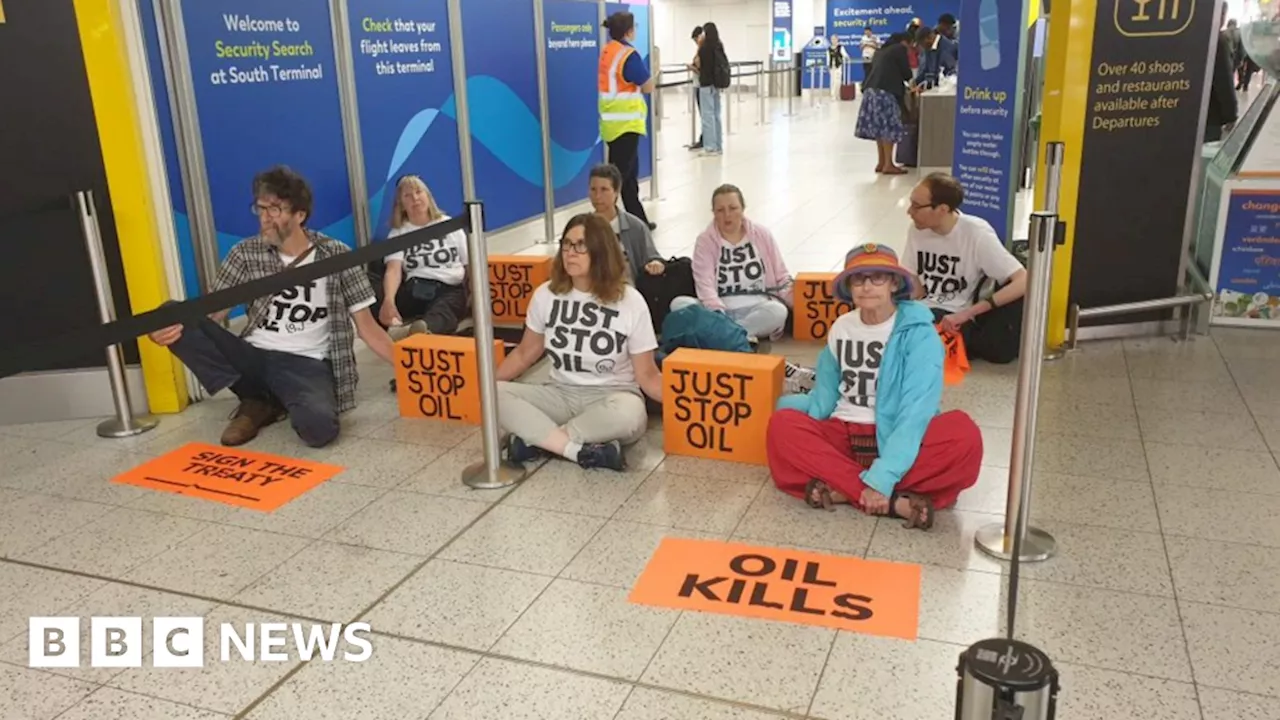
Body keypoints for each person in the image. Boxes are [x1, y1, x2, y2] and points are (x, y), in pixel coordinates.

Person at [147, 166, 395, 448]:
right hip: (253, 355)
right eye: (260, 209)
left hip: (306, 362)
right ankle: (255, 397)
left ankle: (264, 404)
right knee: (171, 311)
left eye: (275, 210)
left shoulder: (336, 254)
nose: (264, 218)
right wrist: (170, 330)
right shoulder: (245, 252)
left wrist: (411, 370)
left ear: (300, 215)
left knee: (319, 430)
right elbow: (213, 313)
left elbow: (368, 327)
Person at [766, 244, 982, 530]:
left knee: (964, 436)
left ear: (894, 283)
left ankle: (846, 488)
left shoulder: (920, 335)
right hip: (844, 431)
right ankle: (891, 502)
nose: (867, 287)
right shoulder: (842, 326)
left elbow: (915, 412)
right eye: (859, 278)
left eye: (877, 277)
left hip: (896, 435)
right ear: (849, 286)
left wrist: (883, 474)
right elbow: (825, 395)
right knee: (782, 426)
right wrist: (799, 425)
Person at [495, 214, 663, 471]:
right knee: (494, 394)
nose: (570, 252)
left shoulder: (630, 301)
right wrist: (488, 388)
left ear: (601, 250)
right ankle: (577, 449)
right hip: (560, 393)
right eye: (566, 244)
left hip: (614, 397)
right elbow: (524, 353)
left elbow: (648, 375)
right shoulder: (546, 295)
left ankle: (538, 440)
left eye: (580, 245)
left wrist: (689, 407)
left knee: (629, 415)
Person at [902, 173, 1027, 364]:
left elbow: (1023, 280)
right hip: (925, 308)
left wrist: (969, 313)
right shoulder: (918, 229)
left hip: (956, 315)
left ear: (942, 209)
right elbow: (913, 281)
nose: (910, 212)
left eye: (917, 206)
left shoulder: (976, 233)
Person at [670, 184, 792, 341]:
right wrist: (718, 314)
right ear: (713, 213)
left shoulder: (762, 234)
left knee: (778, 311)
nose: (727, 215)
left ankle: (723, 335)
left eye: (733, 208)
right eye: (720, 210)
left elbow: (782, 276)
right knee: (679, 304)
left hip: (757, 308)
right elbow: (704, 285)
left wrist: (798, 303)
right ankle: (738, 335)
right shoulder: (705, 241)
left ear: (743, 209)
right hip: (716, 311)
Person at [377, 175, 469, 335]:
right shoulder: (398, 233)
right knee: (377, 296)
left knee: (445, 310)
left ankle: (423, 329)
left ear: (428, 196)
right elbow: (393, 270)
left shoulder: (449, 225)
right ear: (401, 205)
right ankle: (390, 332)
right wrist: (388, 301)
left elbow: (470, 264)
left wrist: (476, 294)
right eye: (408, 195)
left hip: (449, 287)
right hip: (416, 289)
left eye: (419, 192)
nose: (415, 198)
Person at [599, 11, 657, 229]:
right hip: (626, 124)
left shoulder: (608, 50)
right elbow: (648, 85)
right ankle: (604, 222)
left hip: (612, 123)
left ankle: (638, 221)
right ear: (629, 31)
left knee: (628, 177)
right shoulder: (627, 55)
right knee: (618, 178)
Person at [588, 163, 664, 284]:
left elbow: (652, 256)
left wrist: (655, 264)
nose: (597, 196)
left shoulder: (636, 227)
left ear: (616, 191)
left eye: (604, 190)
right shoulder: (582, 228)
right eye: (593, 189)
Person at [856, 32, 913, 175]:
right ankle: (889, 164)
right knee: (889, 128)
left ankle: (881, 162)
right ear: (904, 41)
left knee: (880, 129)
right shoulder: (899, 49)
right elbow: (907, 74)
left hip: (871, 91)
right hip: (886, 92)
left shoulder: (881, 51)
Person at [696, 21, 731, 156]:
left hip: (706, 84)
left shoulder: (704, 48)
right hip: (716, 84)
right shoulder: (718, 46)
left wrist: (699, 46)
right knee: (716, 115)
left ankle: (710, 147)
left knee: (707, 116)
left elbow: (699, 64)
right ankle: (718, 145)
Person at [688, 25, 704, 150]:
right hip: (699, 85)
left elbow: (701, 71)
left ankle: (704, 139)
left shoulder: (702, 50)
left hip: (700, 85)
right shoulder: (702, 49)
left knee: (704, 114)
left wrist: (691, 67)